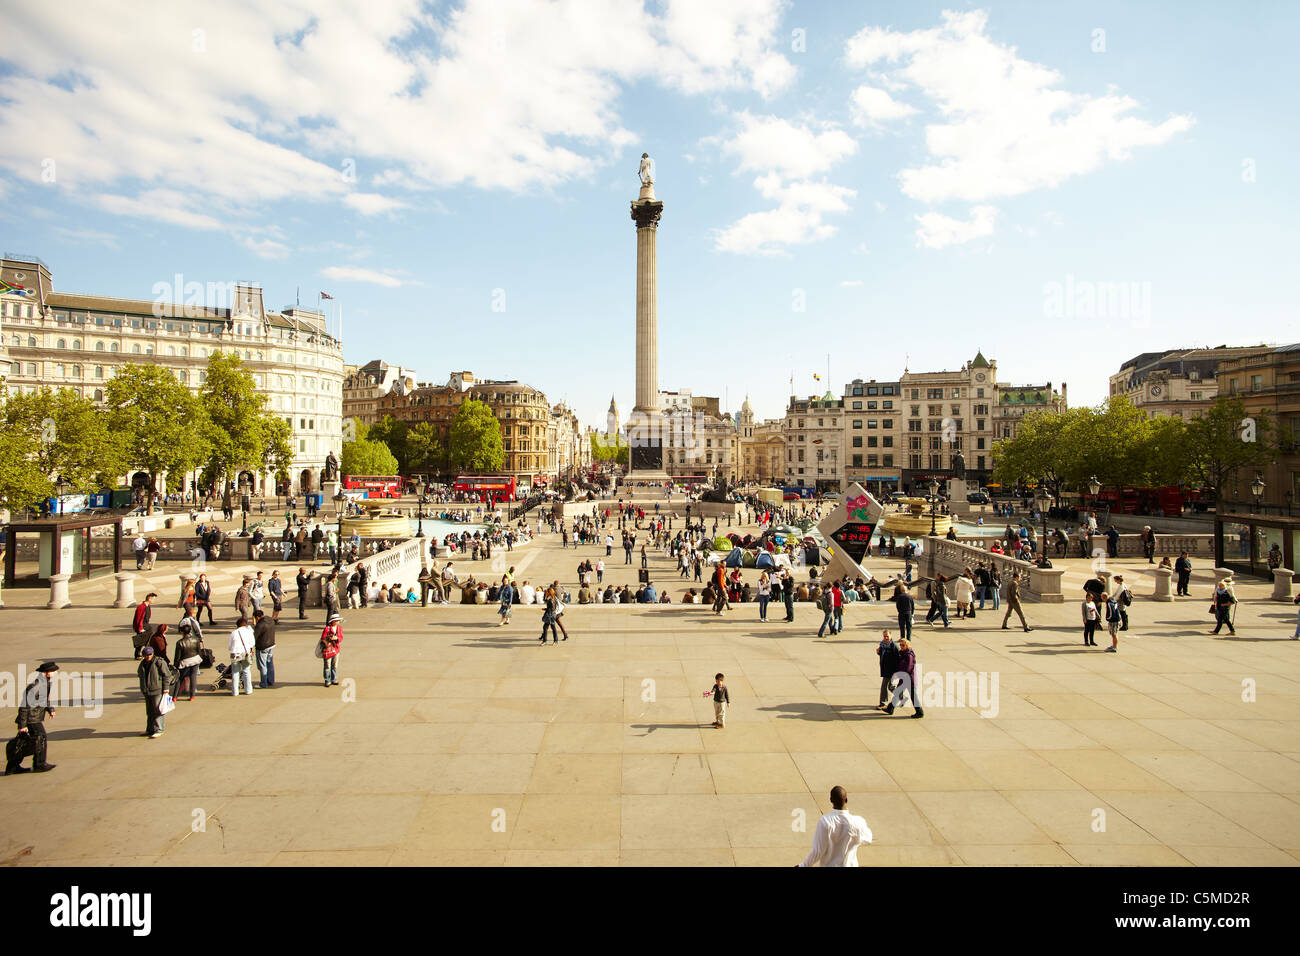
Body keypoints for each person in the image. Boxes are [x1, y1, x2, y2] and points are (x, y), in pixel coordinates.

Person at [797, 786, 873, 867]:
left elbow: (818, 851)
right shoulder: (858, 822)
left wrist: (803, 865)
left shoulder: (825, 822)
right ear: (846, 800)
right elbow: (868, 839)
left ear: (831, 800)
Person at [6, 662, 58, 774]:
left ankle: (12, 767)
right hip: (31, 718)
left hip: (34, 717)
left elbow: (44, 699)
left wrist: (50, 709)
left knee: (21, 743)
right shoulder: (36, 686)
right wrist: (22, 725)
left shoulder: (46, 683)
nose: (55, 673)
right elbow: (24, 706)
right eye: (53, 671)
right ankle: (39, 764)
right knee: (41, 738)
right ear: (47, 672)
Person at [137, 646, 175, 738]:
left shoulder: (159, 662)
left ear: (153, 653)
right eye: (146, 655)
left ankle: (159, 729)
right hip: (147, 691)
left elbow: (167, 676)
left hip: (157, 690)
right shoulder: (143, 664)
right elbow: (140, 674)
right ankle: (150, 729)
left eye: (150, 654)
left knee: (158, 710)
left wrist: (166, 689)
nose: (148, 656)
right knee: (149, 711)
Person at [882, 637, 923, 717]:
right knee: (898, 693)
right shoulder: (902, 653)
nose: (901, 646)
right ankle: (890, 708)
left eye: (903, 645)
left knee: (913, 696)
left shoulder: (909, 655)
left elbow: (908, 668)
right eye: (900, 645)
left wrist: (898, 673)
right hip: (904, 678)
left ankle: (920, 712)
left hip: (909, 679)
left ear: (907, 645)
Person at [172, 622, 203, 701]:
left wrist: (175, 665)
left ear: (182, 632)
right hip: (195, 659)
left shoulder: (180, 642)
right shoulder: (196, 640)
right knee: (193, 678)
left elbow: (177, 656)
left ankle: (175, 696)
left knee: (179, 679)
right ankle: (192, 696)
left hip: (184, 661)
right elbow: (199, 651)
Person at [227, 615, 256, 696]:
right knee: (246, 671)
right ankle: (248, 690)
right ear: (245, 624)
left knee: (235, 673)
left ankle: (235, 692)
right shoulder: (249, 632)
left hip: (235, 654)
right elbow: (252, 643)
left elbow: (229, 646)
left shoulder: (234, 633)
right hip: (245, 654)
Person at [876, 630, 900, 710]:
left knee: (884, 686)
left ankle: (883, 703)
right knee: (890, 687)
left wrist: (897, 671)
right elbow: (882, 654)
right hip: (885, 668)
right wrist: (878, 652)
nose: (886, 638)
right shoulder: (882, 644)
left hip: (891, 669)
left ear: (891, 636)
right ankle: (900, 696)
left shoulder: (894, 646)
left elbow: (898, 659)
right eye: (884, 636)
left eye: (887, 636)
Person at [253, 609, 276, 688]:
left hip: (262, 646)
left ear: (257, 617)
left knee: (262, 665)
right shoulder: (271, 620)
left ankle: (263, 683)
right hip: (271, 644)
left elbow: (254, 637)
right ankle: (271, 680)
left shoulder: (260, 625)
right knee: (270, 664)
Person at [131, 591, 157, 659]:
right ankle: (137, 655)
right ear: (149, 598)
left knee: (147, 639)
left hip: (146, 625)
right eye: (153, 599)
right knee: (140, 641)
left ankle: (146, 653)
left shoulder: (147, 606)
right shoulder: (141, 607)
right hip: (142, 626)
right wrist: (140, 628)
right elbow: (138, 618)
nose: (154, 600)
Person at [320, 614, 342, 686]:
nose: (338, 621)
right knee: (327, 665)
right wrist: (330, 638)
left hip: (336, 648)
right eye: (337, 620)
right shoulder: (327, 629)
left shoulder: (339, 628)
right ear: (333, 621)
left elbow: (341, 637)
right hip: (328, 649)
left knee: (334, 665)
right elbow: (323, 638)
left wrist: (337, 638)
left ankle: (334, 679)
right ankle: (327, 680)